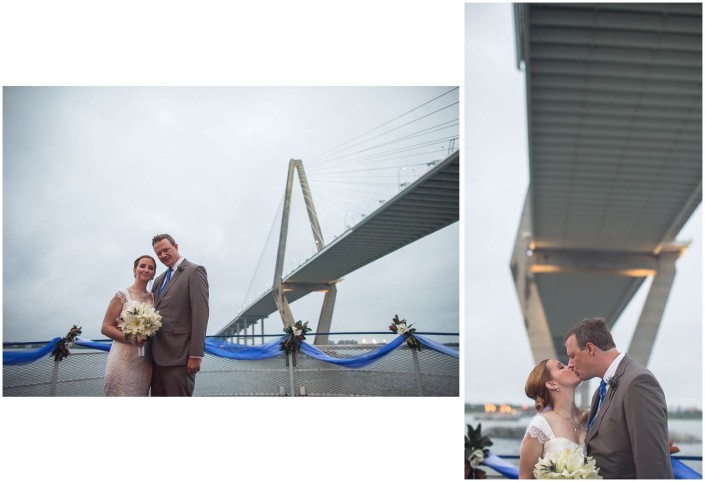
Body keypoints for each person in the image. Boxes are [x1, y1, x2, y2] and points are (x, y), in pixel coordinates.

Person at [565, 317, 673, 479]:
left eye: (572, 356)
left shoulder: (638, 382)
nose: (570, 364)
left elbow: (652, 460)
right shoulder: (600, 391)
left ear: (590, 349)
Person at [149, 233, 209, 396]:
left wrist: (195, 355)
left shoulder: (194, 271)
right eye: (158, 253)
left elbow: (200, 315)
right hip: (155, 357)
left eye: (166, 250)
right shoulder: (158, 279)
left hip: (180, 358)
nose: (162, 255)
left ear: (176, 247)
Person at [518, 359, 590, 478]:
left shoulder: (591, 416)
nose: (570, 366)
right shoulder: (540, 426)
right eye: (561, 367)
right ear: (552, 384)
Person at [102, 255, 157, 396]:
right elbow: (106, 327)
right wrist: (131, 339)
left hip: (144, 361)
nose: (146, 270)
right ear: (134, 270)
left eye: (151, 268)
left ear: (153, 274)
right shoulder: (122, 294)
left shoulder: (153, 298)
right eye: (142, 266)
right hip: (123, 359)